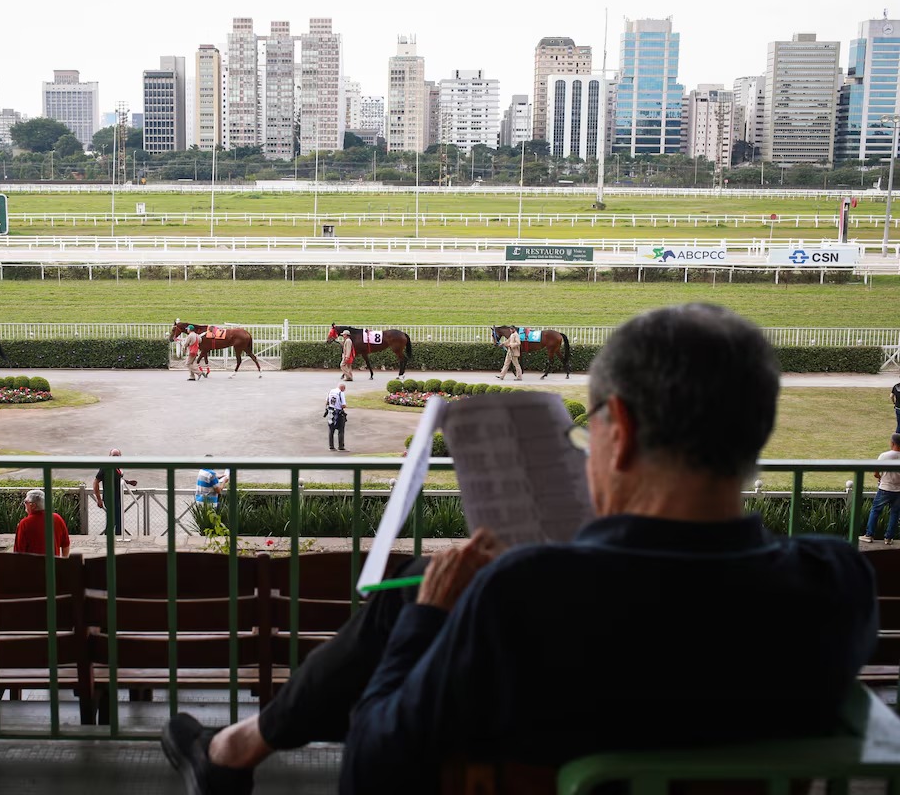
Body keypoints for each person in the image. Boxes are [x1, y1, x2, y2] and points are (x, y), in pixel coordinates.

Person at [161, 303, 878, 795]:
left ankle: (234, 750)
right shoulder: (838, 584)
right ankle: (234, 748)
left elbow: (372, 772)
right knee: (415, 581)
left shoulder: (526, 588)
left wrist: (430, 618)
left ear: (618, 428)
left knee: (414, 589)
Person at [863, 432, 900, 545]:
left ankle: (869, 535)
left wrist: (880, 477)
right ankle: (888, 538)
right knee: (895, 513)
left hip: (885, 488)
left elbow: (875, 473)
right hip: (899, 491)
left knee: (875, 510)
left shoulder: (884, 456)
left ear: (892, 443)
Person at [93, 448, 138, 537]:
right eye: (114, 456)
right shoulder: (105, 467)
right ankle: (107, 539)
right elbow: (95, 482)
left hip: (118, 498)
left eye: (118, 456)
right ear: (109, 457)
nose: (116, 458)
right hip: (110, 498)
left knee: (119, 520)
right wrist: (98, 499)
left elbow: (117, 479)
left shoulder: (117, 467)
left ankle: (119, 537)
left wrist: (128, 482)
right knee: (112, 520)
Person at [13, 489, 70, 557]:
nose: (24, 504)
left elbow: (18, 552)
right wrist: (62, 564)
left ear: (33, 505)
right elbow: (66, 545)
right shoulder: (57, 518)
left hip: (33, 566)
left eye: (25, 502)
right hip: (53, 566)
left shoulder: (25, 523)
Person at [326, 383, 347, 451]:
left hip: (331, 412)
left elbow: (327, 402)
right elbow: (343, 405)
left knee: (331, 430)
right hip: (338, 412)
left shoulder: (331, 391)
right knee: (341, 430)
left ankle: (331, 446)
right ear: (343, 388)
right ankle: (341, 447)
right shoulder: (341, 393)